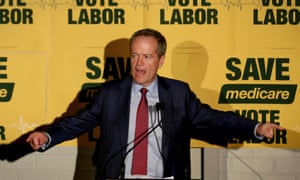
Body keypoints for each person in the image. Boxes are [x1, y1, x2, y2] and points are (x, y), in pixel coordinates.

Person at [26, 28, 284, 180]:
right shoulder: (110, 93)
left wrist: (256, 127)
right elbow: (76, 123)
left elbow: (215, 118)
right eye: (135, 55)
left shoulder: (178, 93)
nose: (139, 64)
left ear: (160, 60)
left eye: (147, 56)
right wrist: (47, 136)